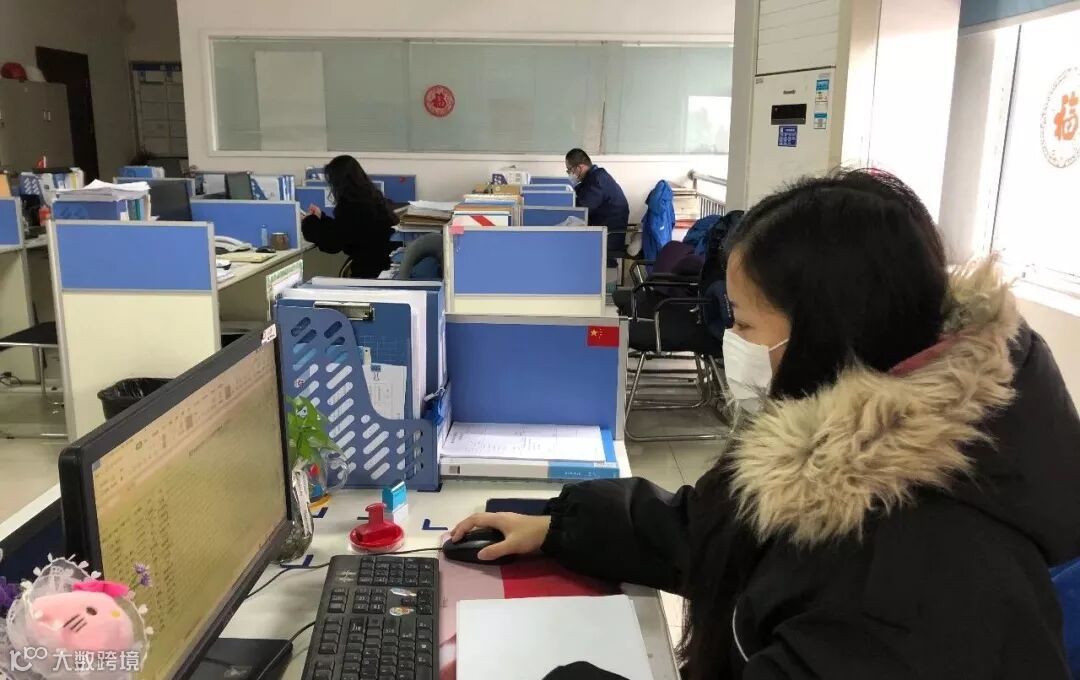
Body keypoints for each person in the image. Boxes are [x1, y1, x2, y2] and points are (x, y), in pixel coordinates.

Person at [452, 170, 1080, 680]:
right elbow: (716, 530)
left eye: (745, 322)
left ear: (828, 332)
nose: (732, 339)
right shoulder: (839, 454)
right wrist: (559, 527)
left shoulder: (921, 570)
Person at [302, 155, 399, 278]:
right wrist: (322, 217)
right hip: (385, 267)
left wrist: (309, 222)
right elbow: (343, 229)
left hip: (370, 273)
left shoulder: (351, 206)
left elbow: (333, 243)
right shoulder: (373, 198)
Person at [565, 149, 629, 260]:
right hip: (602, 232)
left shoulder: (597, 180)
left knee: (567, 245)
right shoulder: (594, 177)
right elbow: (582, 194)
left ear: (579, 168)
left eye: (569, 170)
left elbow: (583, 208)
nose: (569, 174)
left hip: (608, 237)